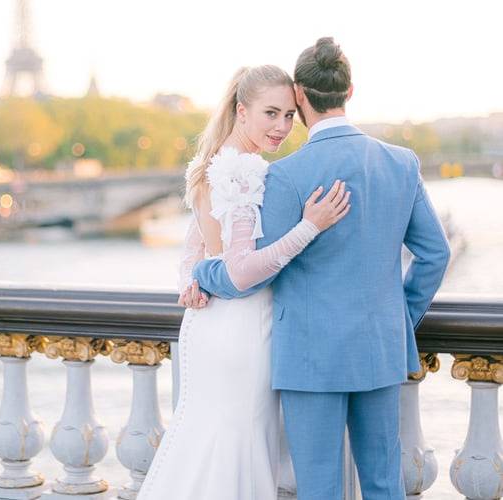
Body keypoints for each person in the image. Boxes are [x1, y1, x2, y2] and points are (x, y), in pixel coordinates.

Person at [193, 38, 451, 500]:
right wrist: (399, 319)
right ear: (350, 91)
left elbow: (257, 271)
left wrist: (201, 274)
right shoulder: (401, 163)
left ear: (299, 95)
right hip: (380, 348)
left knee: (319, 490)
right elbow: (435, 255)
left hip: (309, 358)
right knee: (383, 484)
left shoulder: (285, 175)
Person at [137, 64, 349, 500]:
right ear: (241, 110)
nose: (283, 127)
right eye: (271, 113)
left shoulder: (211, 164)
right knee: (242, 444)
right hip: (243, 328)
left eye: (290, 116)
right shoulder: (247, 172)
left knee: (206, 438)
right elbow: (239, 270)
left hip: (208, 325)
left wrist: (188, 278)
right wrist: (309, 226)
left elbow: (195, 246)